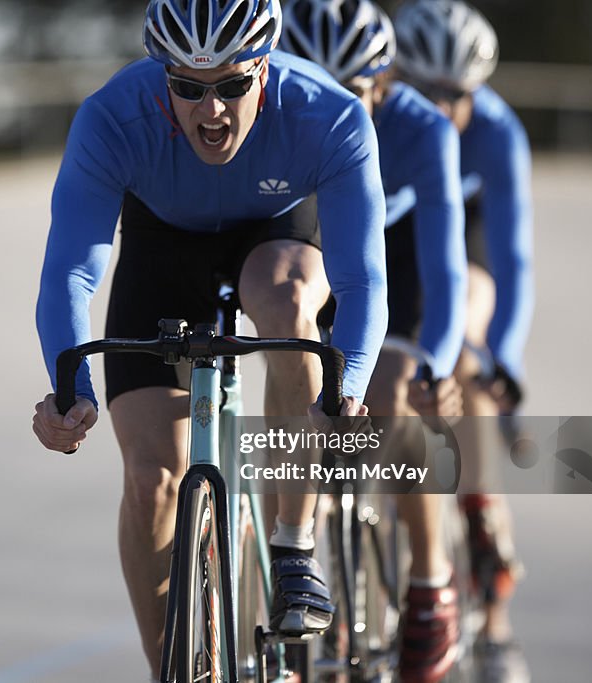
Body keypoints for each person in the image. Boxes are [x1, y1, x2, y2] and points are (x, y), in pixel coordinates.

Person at [32, 0, 388, 677]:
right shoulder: (113, 117)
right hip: (162, 244)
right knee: (150, 480)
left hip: (275, 233)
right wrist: (68, 391)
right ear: (161, 74)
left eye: (232, 84)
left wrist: (347, 394)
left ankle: (292, 546)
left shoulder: (329, 114)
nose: (211, 109)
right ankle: (168, 665)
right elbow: (69, 273)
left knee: (287, 305)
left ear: (266, 68)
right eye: (188, 87)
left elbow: (363, 281)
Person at [280, 1, 466, 680]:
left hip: (399, 254)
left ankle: (429, 584)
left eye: (348, 93)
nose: (323, 107)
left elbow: (446, 267)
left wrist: (437, 366)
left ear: (382, 88)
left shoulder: (422, 130)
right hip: (314, 242)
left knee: (392, 390)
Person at [394, 1, 533, 681]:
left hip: (466, 233)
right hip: (400, 229)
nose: (444, 109)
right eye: (428, 92)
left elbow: (512, 258)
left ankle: (483, 526)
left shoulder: (498, 133)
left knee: (468, 342)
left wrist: (502, 356)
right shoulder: (380, 112)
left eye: (460, 96)